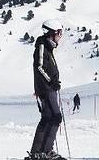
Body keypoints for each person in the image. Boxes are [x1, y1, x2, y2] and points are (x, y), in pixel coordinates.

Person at [27, 19, 65, 160]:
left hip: (48, 88)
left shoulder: (47, 47)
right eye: (59, 33)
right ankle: (45, 151)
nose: (60, 36)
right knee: (55, 117)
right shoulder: (42, 46)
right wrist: (52, 81)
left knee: (48, 118)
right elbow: (39, 67)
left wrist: (53, 81)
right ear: (52, 33)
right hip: (46, 88)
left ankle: (38, 152)